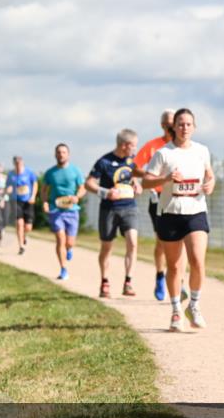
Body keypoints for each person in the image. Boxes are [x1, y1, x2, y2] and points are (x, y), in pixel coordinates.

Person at [142, 109, 215, 330]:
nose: (184, 128)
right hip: (170, 213)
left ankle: (193, 305)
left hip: (195, 211)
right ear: (173, 127)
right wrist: (165, 179)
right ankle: (175, 311)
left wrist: (211, 184)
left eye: (188, 124)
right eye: (180, 124)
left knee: (198, 262)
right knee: (173, 266)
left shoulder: (202, 151)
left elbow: (209, 175)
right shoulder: (164, 153)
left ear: (194, 127)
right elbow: (146, 181)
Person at [86, 129, 141, 298]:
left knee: (132, 242)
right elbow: (89, 183)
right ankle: (105, 281)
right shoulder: (104, 162)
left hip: (129, 207)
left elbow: (134, 179)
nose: (135, 149)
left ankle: (128, 282)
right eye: (133, 146)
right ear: (124, 145)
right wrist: (105, 192)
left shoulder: (133, 161)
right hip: (109, 209)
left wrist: (137, 185)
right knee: (107, 247)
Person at [132, 109, 180, 300]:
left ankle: (176, 275)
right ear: (162, 125)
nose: (171, 126)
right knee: (162, 241)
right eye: (168, 123)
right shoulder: (153, 147)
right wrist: (152, 177)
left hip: (180, 198)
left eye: (174, 122)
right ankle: (160, 274)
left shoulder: (183, 146)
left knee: (181, 240)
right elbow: (134, 168)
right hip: (158, 199)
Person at [41, 143, 86, 280]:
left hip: (72, 210)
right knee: (60, 239)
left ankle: (70, 248)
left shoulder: (75, 171)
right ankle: (63, 269)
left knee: (69, 242)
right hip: (56, 209)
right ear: (55, 155)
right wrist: (45, 202)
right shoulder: (50, 173)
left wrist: (77, 197)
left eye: (64, 152)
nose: (61, 154)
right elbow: (44, 190)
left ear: (68, 154)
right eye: (59, 152)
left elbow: (82, 188)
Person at [6, 156, 38, 255]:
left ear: (22, 163)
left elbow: (35, 184)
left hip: (27, 201)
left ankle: (24, 236)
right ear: (14, 164)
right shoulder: (11, 174)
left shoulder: (29, 172)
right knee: (19, 223)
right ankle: (21, 246)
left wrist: (33, 196)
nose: (18, 165)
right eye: (16, 163)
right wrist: (8, 190)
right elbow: (8, 186)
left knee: (28, 227)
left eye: (19, 163)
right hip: (15, 201)